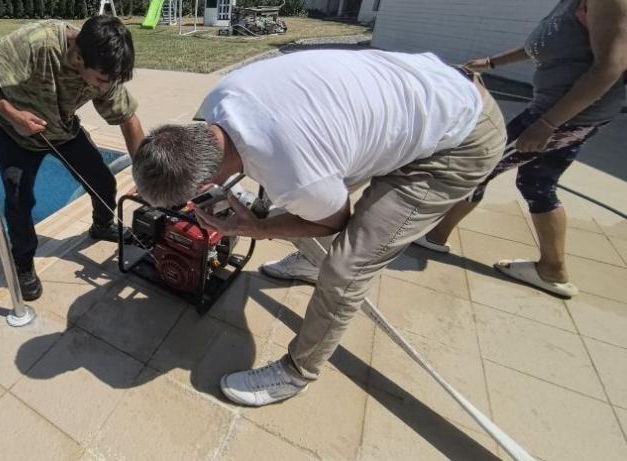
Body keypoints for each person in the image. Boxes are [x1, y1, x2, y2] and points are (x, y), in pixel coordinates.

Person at [131, 48, 506, 407]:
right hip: (426, 91)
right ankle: (310, 265)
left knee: (346, 266)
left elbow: (334, 221)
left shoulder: (295, 173)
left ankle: (297, 372)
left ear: (202, 183)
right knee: (316, 189)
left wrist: (253, 229)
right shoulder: (216, 101)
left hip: (460, 140)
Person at [416, 0, 627, 298]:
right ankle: (551, 268)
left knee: (478, 161)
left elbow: (608, 69)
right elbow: (551, 42)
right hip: (557, 109)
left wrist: (546, 125)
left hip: (562, 114)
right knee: (535, 178)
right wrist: (496, 61)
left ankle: (435, 235)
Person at [0, 15, 145, 301]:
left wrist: (145, 177)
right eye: (100, 80)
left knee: (102, 180)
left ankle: (102, 225)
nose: (103, 87)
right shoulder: (40, 42)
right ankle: (23, 265)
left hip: (61, 129)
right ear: (79, 57)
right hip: (15, 135)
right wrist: (12, 114)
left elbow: (128, 120)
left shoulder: (103, 70)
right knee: (20, 202)